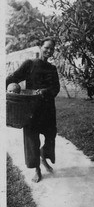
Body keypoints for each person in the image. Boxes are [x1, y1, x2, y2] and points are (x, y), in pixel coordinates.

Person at [6, 38, 60, 182]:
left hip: (48, 108)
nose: (49, 51)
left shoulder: (52, 69)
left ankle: (44, 155)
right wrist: (8, 87)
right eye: (46, 47)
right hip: (31, 108)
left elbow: (56, 88)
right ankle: (37, 170)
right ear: (40, 47)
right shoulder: (30, 64)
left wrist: (44, 91)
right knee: (32, 139)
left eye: (51, 49)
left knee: (51, 135)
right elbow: (13, 77)